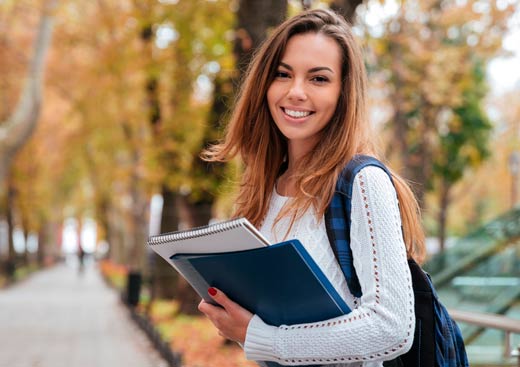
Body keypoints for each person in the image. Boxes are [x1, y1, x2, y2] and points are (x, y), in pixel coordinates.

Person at [199, 8, 426, 366]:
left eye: (318, 79)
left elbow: (392, 327)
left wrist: (262, 338)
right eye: (283, 74)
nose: (296, 92)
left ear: (343, 93)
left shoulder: (363, 183)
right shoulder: (264, 188)